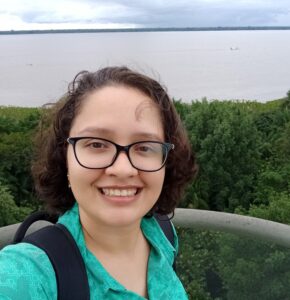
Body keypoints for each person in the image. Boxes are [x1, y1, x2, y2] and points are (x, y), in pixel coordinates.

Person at [0, 66, 197, 299]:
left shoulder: (162, 234)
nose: (123, 169)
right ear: (65, 158)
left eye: (145, 146)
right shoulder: (27, 275)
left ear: (167, 161)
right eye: (96, 144)